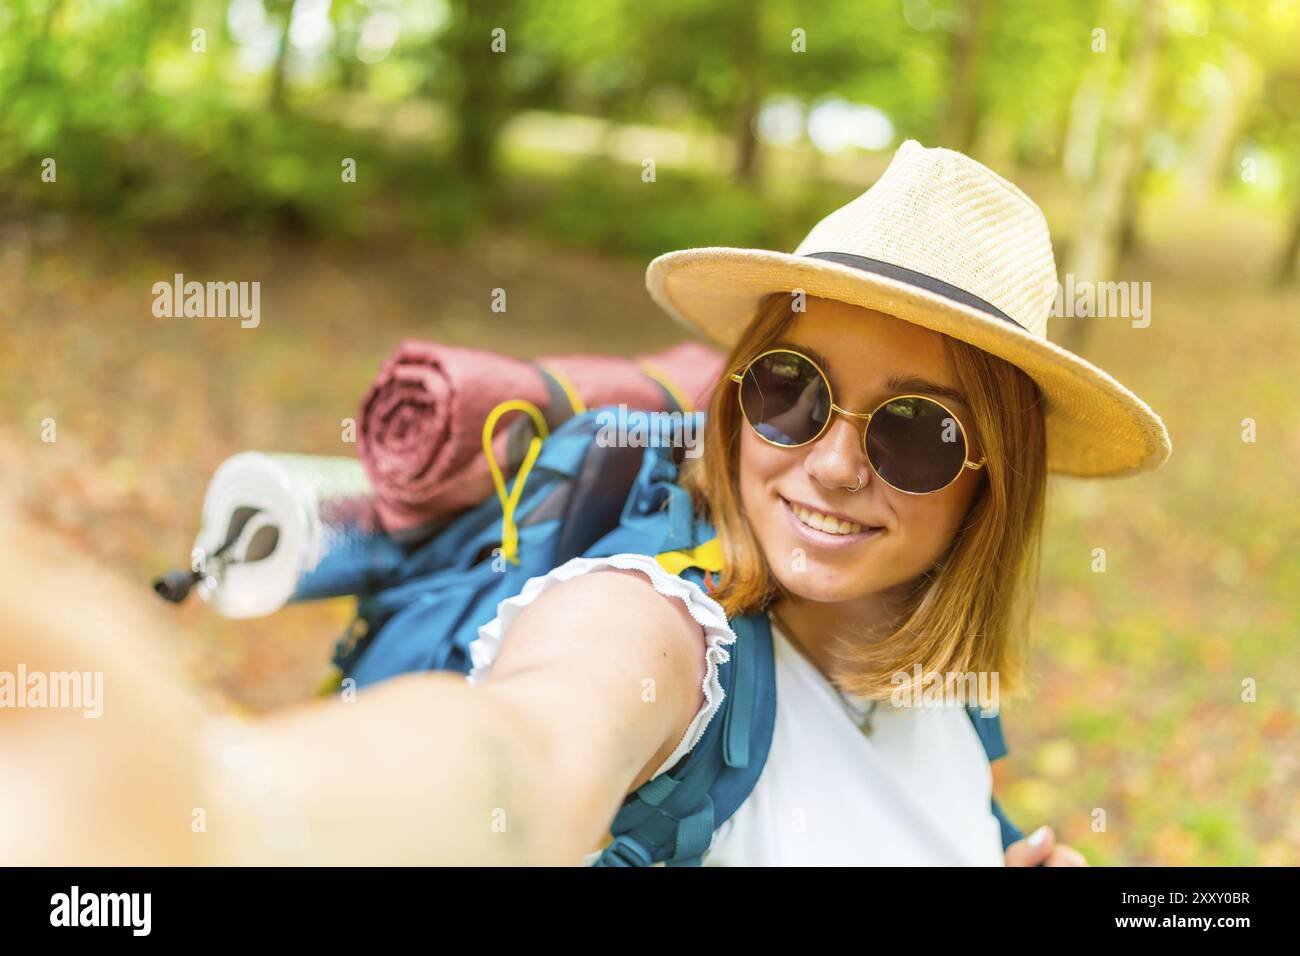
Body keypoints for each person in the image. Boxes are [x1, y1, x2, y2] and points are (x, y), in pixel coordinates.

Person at [0, 141, 1169, 866]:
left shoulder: (935, 701)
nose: (829, 462)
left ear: (993, 488)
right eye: (790, 390)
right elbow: (521, 761)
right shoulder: (661, 632)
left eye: (917, 429)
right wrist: (226, 812)